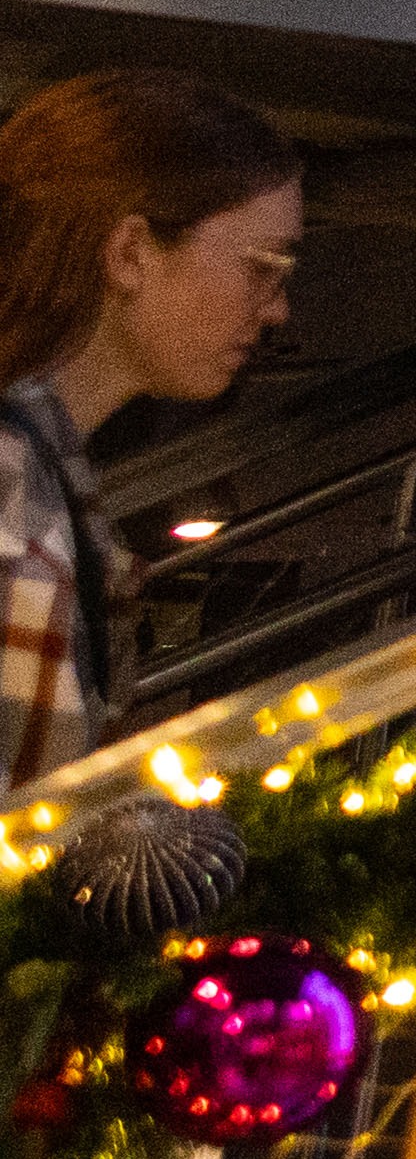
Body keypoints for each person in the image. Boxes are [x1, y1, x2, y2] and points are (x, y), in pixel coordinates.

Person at [0, 71, 303, 772]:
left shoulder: (41, 462)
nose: (278, 307)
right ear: (130, 251)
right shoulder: (15, 489)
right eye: (263, 267)